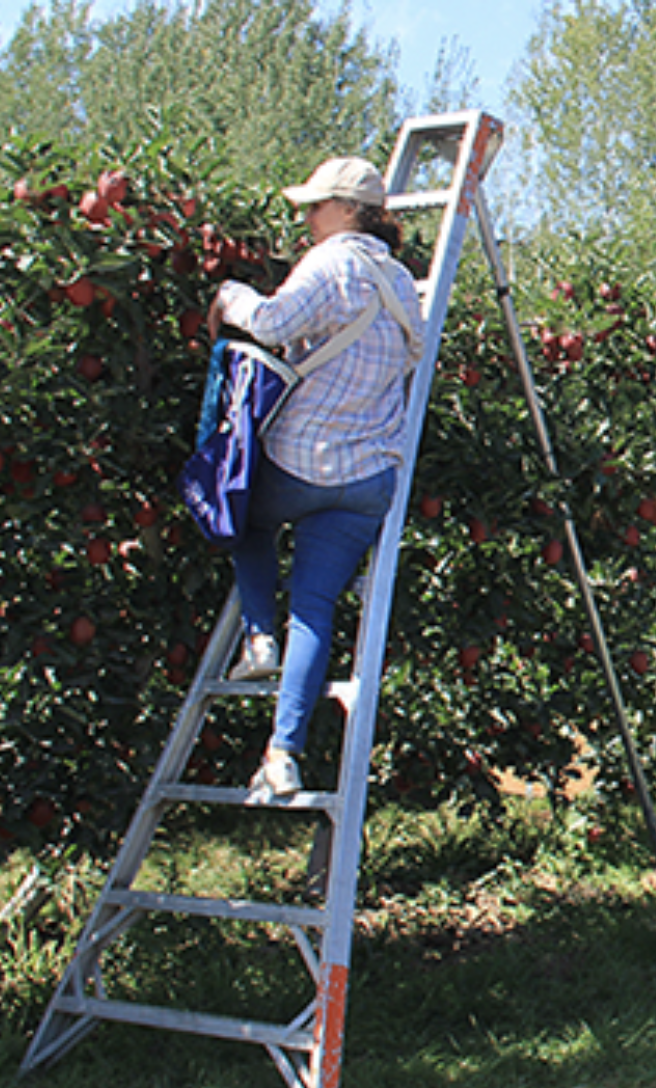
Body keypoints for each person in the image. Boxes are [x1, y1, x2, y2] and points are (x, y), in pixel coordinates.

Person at [206, 156, 422, 798]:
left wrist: (230, 296)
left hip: (304, 458)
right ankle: (283, 752)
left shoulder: (332, 263)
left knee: (238, 514)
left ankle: (258, 636)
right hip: (368, 479)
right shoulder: (403, 282)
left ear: (349, 211)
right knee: (317, 609)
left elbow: (271, 324)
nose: (306, 217)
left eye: (316, 205)